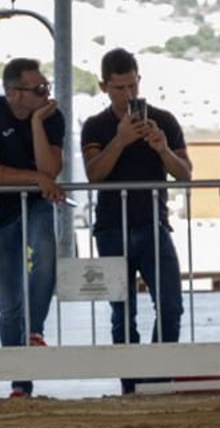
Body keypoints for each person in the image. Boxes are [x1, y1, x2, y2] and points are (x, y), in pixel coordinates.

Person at [81, 48, 192, 393]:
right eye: (119, 88)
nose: (128, 95)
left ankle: (158, 381)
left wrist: (162, 148)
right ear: (104, 87)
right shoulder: (96, 126)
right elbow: (94, 175)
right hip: (112, 229)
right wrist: (120, 140)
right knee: (121, 314)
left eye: (133, 85)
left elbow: (185, 174)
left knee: (171, 306)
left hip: (154, 224)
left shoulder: (165, 120)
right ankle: (130, 385)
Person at [0, 58, 67, 398]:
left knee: (45, 252)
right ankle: (20, 380)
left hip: (35, 204)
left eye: (46, 86)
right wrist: (34, 177)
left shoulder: (51, 117)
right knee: (9, 301)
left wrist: (36, 123)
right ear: (14, 93)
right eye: (38, 89)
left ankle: (34, 331)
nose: (46, 94)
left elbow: (52, 170)